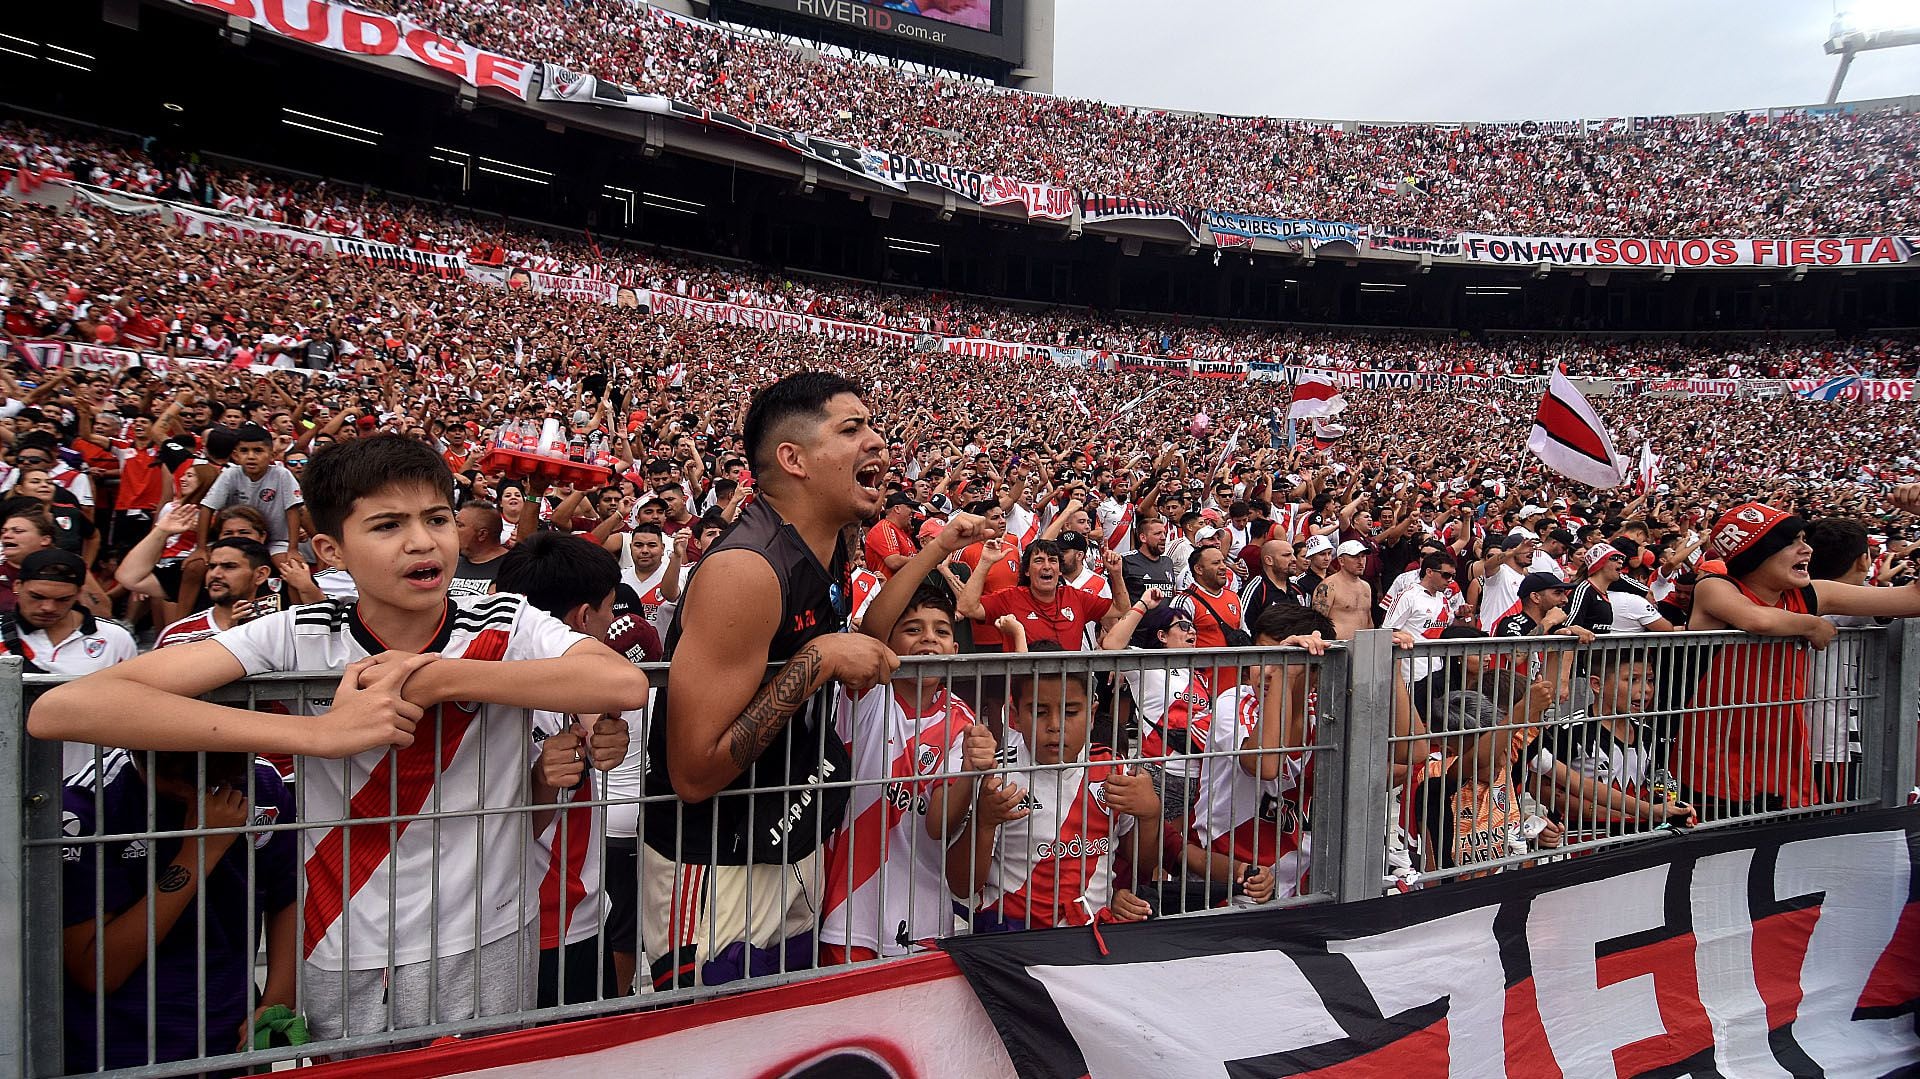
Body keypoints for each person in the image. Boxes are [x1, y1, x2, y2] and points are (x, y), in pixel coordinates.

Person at [27, 434, 650, 1046]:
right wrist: (316, 734)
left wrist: (438, 677)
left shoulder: (504, 620)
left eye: (437, 518)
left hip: (484, 932)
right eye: (386, 526)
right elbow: (64, 708)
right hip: (340, 933)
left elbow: (620, 682)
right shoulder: (299, 631)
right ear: (330, 547)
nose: (421, 540)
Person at [637, 373, 903, 991]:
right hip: (714, 862)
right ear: (793, 459)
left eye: (873, 425)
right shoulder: (745, 570)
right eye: (852, 428)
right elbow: (694, 772)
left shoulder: (829, 545)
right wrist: (818, 661)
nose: (878, 442)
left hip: (789, 841)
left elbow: (851, 644)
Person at [1676, 501, 1920, 819]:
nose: (1806, 550)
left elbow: (1913, 599)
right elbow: (1757, 620)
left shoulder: (1809, 594)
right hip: (1713, 767)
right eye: (1792, 542)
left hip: (1784, 763)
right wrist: (1811, 624)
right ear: (1755, 553)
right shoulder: (1714, 587)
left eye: (1804, 540)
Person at [60, 749, 297, 1072]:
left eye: (215, 781)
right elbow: (97, 970)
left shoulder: (261, 781)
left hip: (233, 1040)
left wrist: (277, 1001)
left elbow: (287, 895)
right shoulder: (86, 805)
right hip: (121, 1049)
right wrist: (199, 851)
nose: (199, 792)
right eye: (178, 782)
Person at [491, 532, 634, 1007]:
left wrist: (599, 730)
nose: (612, 622)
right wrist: (541, 780)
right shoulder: (489, 699)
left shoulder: (497, 676)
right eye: (610, 610)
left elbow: (597, 706)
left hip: (572, 914)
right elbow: (511, 825)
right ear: (582, 618)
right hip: (539, 921)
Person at [946, 643, 1163, 929]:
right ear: (1014, 715)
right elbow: (962, 886)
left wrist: (1150, 815)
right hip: (1009, 935)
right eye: (1039, 712)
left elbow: (1142, 867)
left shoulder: (1115, 771)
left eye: (1071, 712)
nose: (1055, 725)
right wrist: (983, 823)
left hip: (1092, 935)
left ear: (1093, 713)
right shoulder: (996, 776)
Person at [818, 585, 979, 963]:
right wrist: (939, 549)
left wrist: (971, 770)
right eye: (913, 629)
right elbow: (872, 629)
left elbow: (940, 823)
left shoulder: (963, 721)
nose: (928, 639)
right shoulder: (869, 694)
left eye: (941, 631)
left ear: (955, 652)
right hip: (849, 910)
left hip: (924, 914)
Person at [1184, 604, 1335, 907]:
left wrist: (1392, 661)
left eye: (1280, 659)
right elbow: (1266, 765)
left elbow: (1408, 755)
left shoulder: (1325, 710)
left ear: (1317, 675)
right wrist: (1284, 672)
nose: (1265, 671)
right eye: (1261, 657)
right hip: (1227, 877)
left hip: (1300, 880)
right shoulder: (1236, 701)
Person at [1409, 675, 1566, 877]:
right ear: (1451, 750)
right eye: (1495, 745)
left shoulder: (1506, 761)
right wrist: (1523, 708)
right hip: (1459, 899)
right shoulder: (1434, 775)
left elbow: (1543, 698)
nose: (1505, 754)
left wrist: (1535, 831)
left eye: (1505, 742)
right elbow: (1479, 760)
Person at [5, 549, 139, 774]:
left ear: (78, 593)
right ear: (17, 585)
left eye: (62, 600)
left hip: (87, 786)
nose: (48, 607)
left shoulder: (115, 638)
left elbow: (134, 707)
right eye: (37, 597)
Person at [956, 538, 1124, 650]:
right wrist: (985, 563)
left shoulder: (1076, 597)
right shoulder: (1010, 598)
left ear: (1059, 571)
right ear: (1027, 571)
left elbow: (1121, 609)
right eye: (1038, 560)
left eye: (1053, 561)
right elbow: (967, 608)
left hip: (1067, 694)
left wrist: (1116, 574)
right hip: (1024, 700)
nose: (1047, 566)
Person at [151, 538, 278, 648]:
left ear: (260, 575)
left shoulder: (281, 630)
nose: (215, 574)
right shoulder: (176, 636)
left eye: (229, 566)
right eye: (212, 567)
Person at [197, 424, 303, 555]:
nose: (251, 456)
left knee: (291, 566)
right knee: (197, 566)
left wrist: (293, 549)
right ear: (235, 455)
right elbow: (207, 508)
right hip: (236, 539)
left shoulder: (282, 474)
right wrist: (200, 548)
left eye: (258, 450)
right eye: (244, 450)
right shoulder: (230, 474)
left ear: (271, 454)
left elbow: (293, 511)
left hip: (276, 541)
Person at [1170, 545, 1246, 649]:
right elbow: (1176, 643)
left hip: (1235, 665)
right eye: (1216, 563)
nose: (1223, 567)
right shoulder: (1185, 602)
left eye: (1223, 562)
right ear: (1199, 569)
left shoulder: (1234, 597)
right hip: (1199, 665)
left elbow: (1244, 632)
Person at [1312, 539, 1374, 640]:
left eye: (1363, 556)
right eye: (1354, 557)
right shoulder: (1328, 586)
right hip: (1337, 648)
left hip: (1364, 646)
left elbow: (1368, 620)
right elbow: (1317, 622)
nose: (1361, 561)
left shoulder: (1366, 587)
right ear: (1341, 561)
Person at [1240, 538, 1307, 623]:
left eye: (1293, 554)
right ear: (1269, 560)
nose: (1294, 559)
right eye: (1286, 555)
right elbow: (1243, 629)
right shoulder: (1255, 590)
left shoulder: (1297, 589)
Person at [451, 500, 509, 598]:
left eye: (460, 525)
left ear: (482, 534)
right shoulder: (451, 564)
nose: (453, 530)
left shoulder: (512, 567)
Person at [864, 491, 918, 579]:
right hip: (887, 589)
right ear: (897, 509)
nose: (912, 511)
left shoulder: (902, 531)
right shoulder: (883, 528)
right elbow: (894, 561)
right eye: (909, 507)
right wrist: (920, 559)